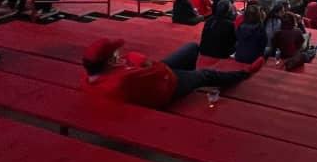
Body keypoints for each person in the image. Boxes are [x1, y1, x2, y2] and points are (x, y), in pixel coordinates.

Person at [81, 37, 263, 109]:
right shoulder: (123, 79)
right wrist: (138, 59)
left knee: (191, 48)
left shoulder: (94, 79)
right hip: (167, 86)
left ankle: (189, 78)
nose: (120, 54)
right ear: (110, 61)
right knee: (205, 74)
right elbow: (161, 71)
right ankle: (243, 74)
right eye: (115, 53)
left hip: (152, 79)